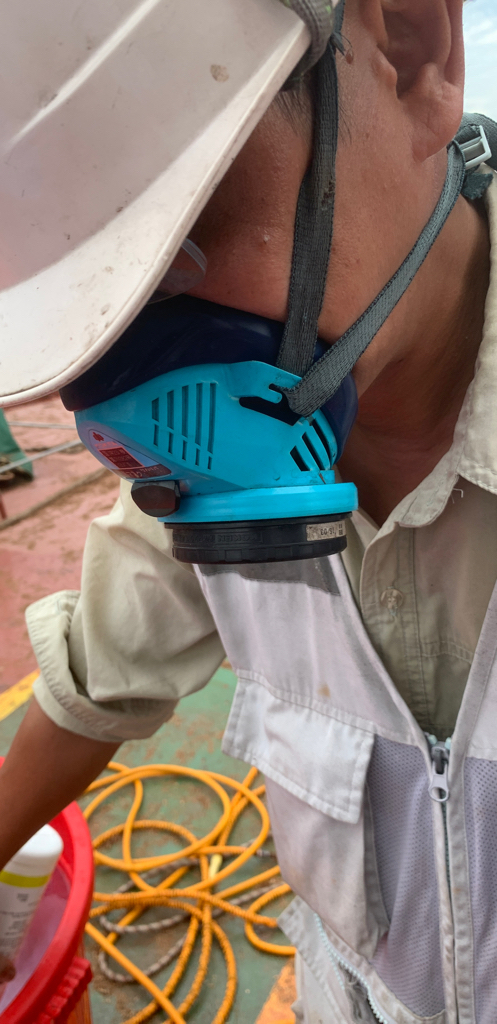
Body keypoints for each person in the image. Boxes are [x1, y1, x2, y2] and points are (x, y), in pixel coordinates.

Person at [0, 0, 496, 1018]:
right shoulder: (203, 500)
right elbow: (95, 680)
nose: (122, 375)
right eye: (81, 302)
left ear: (411, 51)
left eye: (172, 233)